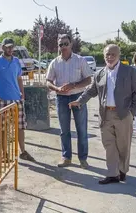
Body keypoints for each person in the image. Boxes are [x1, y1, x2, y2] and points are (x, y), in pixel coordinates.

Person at [69, 44, 136, 184]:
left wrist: (132, 112)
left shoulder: (129, 72)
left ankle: (122, 170)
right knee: (109, 144)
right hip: (105, 115)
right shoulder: (99, 74)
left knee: (123, 145)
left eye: (113, 54)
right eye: (107, 54)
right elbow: (90, 91)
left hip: (123, 114)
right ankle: (112, 174)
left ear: (118, 55)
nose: (109, 57)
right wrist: (79, 101)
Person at [46, 34, 93, 168]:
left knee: (81, 129)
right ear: (58, 46)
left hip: (78, 97)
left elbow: (89, 79)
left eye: (66, 44)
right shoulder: (55, 62)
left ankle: (83, 159)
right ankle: (66, 157)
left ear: (71, 44)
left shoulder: (80, 60)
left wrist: (73, 85)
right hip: (61, 98)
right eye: (61, 45)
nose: (63, 47)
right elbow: (48, 81)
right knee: (64, 130)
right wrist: (57, 88)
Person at [0, 38, 35, 161]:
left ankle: (23, 151)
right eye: (7, 47)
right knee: (3, 128)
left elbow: (19, 78)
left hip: (17, 100)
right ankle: (4, 153)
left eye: (12, 47)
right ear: (2, 48)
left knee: (20, 126)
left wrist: (22, 94)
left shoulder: (16, 62)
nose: (10, 49)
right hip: (2, 101)